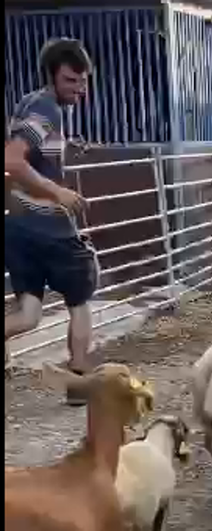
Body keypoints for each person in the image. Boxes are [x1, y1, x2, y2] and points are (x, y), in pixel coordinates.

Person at [4, 38, 98, 405]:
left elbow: (30, 151)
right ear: (52, 77)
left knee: (28, 315)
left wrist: (65, 148)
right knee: (81, 296)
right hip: (49, 227)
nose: (79, 88)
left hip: (17, 225)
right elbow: (11, 160)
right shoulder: (48, 109)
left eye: (83, 80)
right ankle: (79, 380)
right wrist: (56, 192)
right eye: (71, 80)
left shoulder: (29, 102)